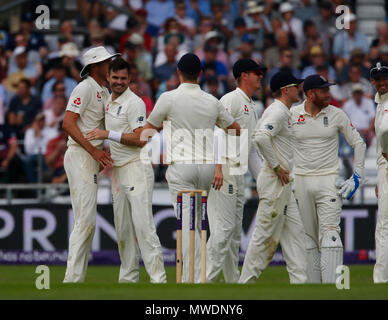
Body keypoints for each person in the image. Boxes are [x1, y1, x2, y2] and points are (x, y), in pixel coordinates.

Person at [108, 53, 240, 283]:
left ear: (178, 72)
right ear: (200, 74)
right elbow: (236, 129)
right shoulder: (212, 101)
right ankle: (196, 277)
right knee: (198, 225)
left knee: (189, 228)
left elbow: (144, 136)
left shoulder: (168, 98)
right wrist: (211, 127)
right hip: (207, 168)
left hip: (182, 168)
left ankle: (195, 279)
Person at [85, 58, 167, 283]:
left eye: (123, 78)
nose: (119, 82)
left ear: (130, 79)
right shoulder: (108, 101)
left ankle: (158, 278)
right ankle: (129, 277)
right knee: (122, 229)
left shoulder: (135, 102)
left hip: (137, 167)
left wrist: (107, 135)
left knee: (143, 225)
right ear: (109, 77)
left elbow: (142, 138)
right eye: (115, 78)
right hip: (118, 171)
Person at [291, 74, 366, 283]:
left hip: (328, 180)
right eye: (323, 90)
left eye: (328, 89)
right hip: (300, 181)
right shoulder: (292, 114)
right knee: (308, 240)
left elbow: (359, 143)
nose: (328, 94)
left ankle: (333, 292)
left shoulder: (336, 114)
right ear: (310, 93)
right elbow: (275, 142)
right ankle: (313, 292)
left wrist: (357, 176)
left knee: (331, 237)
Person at [239, 71, 308, 284]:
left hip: (284, 183)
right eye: (296, 85)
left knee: (295, 235)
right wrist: (276, 166)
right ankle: (245, 283)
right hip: (275, 182)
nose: (300, 88)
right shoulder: (278, 111)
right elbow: (260, 137)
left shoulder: (283, 111)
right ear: (286, 89)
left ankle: (301, 283)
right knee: (264, 235)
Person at [62, 46, 119, 283]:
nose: (111, 66)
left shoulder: (103, 91)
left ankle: (76, 279)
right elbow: (68, 123)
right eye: (107, 62)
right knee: (85, 220)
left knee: (87, 221)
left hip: (88, 156)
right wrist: (93, 151)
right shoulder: (84, 87)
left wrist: (101, 149)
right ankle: (72, 279)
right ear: (96, 66)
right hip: (79, 155)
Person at [206, 58, 265, 283]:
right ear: (243, 75)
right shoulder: (231, 99)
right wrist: (218, 168)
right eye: (256, 72)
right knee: (223, 230)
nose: (260, 76)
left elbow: (249, 150)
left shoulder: (251, 105)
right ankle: (205, 281)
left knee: (233, 235)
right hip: (225, 171)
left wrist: (263, 181)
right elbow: (218, 133)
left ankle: (232, 283)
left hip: (237, 172)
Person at [370, 61, 388, 283]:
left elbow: (384, 130)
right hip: (383, 170)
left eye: (385, 77)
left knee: (384, 225)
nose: (382, 82)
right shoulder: (379, 102)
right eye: (378, 79)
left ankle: (381, 280)